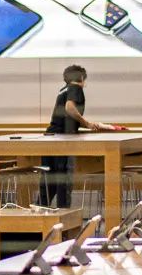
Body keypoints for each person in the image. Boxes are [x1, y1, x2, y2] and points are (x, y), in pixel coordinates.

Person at [41, 64, 119, 207]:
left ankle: (39, 215)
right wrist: (87, 123)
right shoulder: (76, 88)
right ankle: (64, 218)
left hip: (51, 136)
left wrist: (91, 124)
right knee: (64, 180)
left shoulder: (62, 90)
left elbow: (68, 117)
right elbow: (70, 108)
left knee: (48, 181)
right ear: (82, 78)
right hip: (63, 138)